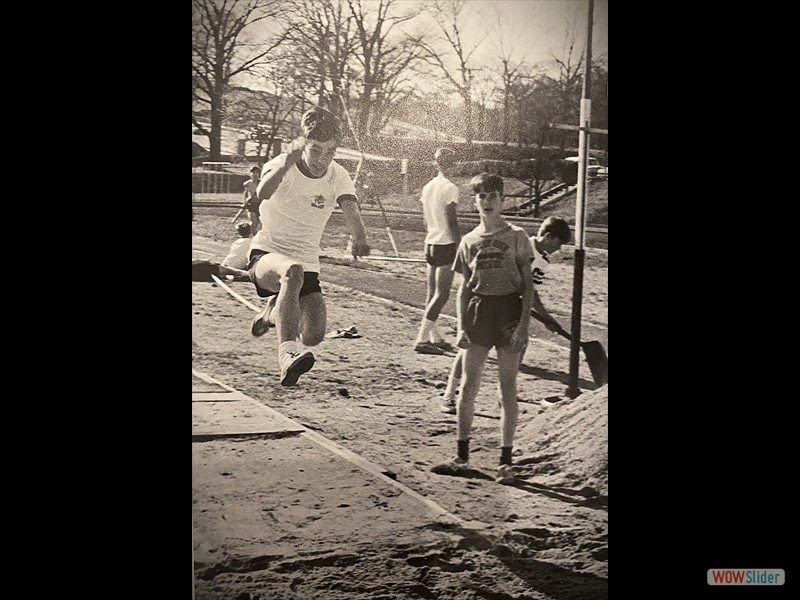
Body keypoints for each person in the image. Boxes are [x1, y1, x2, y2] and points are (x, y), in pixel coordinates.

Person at [247, 107, 370, 386]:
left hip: (306, 263)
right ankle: (287, 354)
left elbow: (350, 208)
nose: (322, 159)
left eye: (330, 152)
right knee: (292, 272)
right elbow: (262, 193)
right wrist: (288, 160)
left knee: (314, 335)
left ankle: (271, 312)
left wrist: (359, 237)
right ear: (303, 143)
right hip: (266, 254)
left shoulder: (337, 175)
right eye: (316, 150)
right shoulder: (283, 164)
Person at [430, 172, 533, 485]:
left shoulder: (517, 236)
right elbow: (463, 289)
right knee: (468, 385)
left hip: (508, 311)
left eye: (493, 196)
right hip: (479, 311)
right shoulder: (469, 240)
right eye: (481, 197)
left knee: (507, 387)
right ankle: (462, 455)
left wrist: (523, 328)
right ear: (474, 201)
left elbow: (528, 287)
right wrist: (462, 326)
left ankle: (505, 460)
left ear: (502, 200)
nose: (487, 202)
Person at [438, 215, 572, 414]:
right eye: (559, 244)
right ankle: (449, 394)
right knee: (468, 350)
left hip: (509, 308)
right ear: (549, 237)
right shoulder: (520, 241)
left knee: (517, 348)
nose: (559, 250)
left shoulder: (542, 261)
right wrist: (545, 318)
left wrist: (546, 318)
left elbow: (531, 292)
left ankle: (504, 396)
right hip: (483, 302)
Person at [413, 148, 461, 355]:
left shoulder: (428, 186)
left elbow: (425, 219)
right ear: (453, 164)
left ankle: (434, 336)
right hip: (445, 244)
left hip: (430, 242)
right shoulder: (450, 188)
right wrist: (459, 243)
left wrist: (433, 233)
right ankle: (422, 339)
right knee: (441, 295)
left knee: (432, 294)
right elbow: (451, 219)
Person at [241, 166, 262, 232]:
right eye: (253, 172)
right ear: (250, 173)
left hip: (260, 204)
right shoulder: (247, 184)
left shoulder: (262, 183)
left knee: (260, 223)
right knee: (253, 222)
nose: (255, 174)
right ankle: (252, 235)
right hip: (251, 205)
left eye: (257, 172)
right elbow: (245, 193)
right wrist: (245, 202)